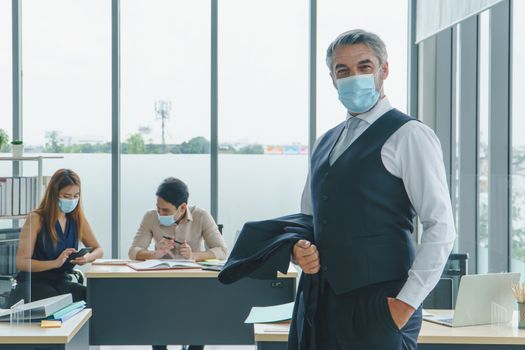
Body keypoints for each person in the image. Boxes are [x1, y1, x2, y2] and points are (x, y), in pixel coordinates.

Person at [292, 29, 456, 349]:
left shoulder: (409, 135)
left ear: (384, 70)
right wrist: (299, 250)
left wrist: (405, 304)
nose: (353, 77)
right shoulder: (326, 141)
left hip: (381, 305)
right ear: (332, 79)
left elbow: (441, 226)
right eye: (343, 71)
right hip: (321, 302)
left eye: (364, 67)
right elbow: (308, 218)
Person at [128, 177, 228, 350]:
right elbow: (133, 251)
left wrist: (194, 256)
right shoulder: (150, 217)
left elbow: (222, 251)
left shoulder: (201, 216)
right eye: (158, 208)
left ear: (182, 207)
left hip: (193, 284)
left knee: (199, 315)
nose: (160, 213)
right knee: (157, 317)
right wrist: (154, 254)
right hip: (160, 284)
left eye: (166, 210)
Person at [11, 168, 104, 305]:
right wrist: (55, 263)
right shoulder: (36, 218)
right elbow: (22, 262)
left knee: (92, 298)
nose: (72, 200)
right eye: (66, 196)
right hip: (34, 283)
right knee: (56, 302)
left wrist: (87, 257)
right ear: (54, 195)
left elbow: (99, 250)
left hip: (61, 281)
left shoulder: (77, 219)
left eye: (76, 196)